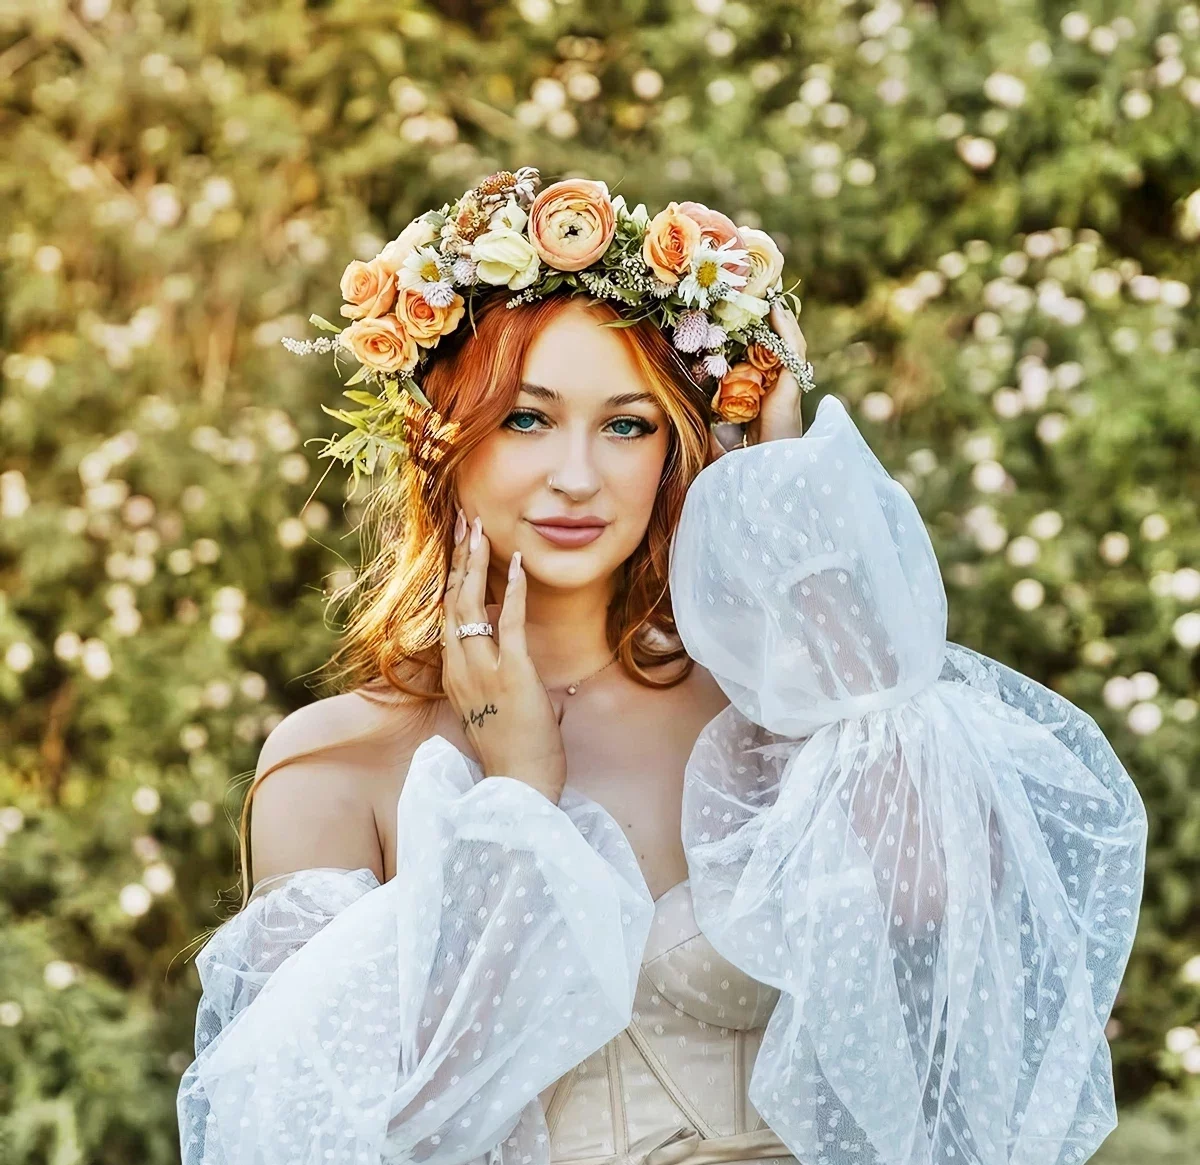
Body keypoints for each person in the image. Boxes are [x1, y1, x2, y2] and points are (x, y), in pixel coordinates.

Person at [176, 171, 1148, 1165]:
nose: (577, 475)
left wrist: (786, 508)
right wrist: (514, 798)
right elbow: (323, 1129)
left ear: (674, 448)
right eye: (527, 417)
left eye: (627, 424)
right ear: (438, 437)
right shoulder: (337, 761)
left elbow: (940, 899)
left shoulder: (768, 706)